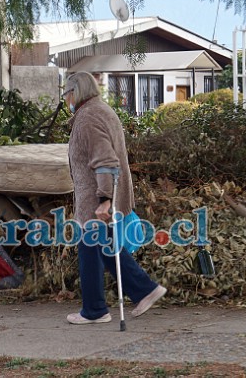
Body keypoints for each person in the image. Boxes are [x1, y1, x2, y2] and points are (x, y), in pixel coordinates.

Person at [63, 71, 167, 324]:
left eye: (66, 94)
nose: (66, 99)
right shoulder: (102, 111)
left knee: (92, 251)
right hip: (103, 194)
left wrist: (104, 200)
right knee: (106, 248)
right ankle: (141, 291)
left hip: (97, 198)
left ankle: (96, 310)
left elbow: (105, 160)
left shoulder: (88, 117)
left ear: (75, 92)